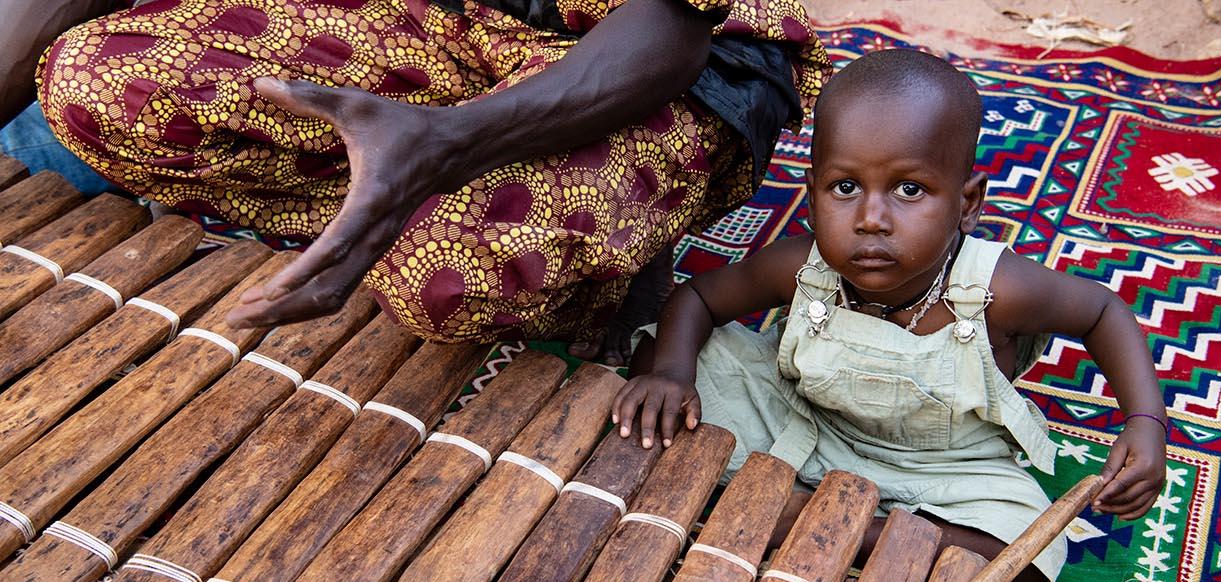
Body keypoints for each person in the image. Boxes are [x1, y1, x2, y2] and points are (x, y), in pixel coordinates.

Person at [611, 48, 1168, 582]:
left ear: (967, 202)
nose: (871, 219)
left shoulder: (998, 287)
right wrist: (675, 374)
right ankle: (832, 517)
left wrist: (1146, 421)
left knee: (1027, 547)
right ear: (811, 195)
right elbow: (699, 299)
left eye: (909, 190)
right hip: (804, 423)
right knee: (661, 359)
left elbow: (1103, 312)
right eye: (845, 188)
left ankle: (837, 526)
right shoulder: (804, 266)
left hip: (947, 470)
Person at [11, 0, 828, 362]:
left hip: (651, 60)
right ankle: (392, 178)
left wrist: (443, 144)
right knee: (92, 79)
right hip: (444, 24)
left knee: (448, 281)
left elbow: (668, 33)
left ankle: (603, 243)